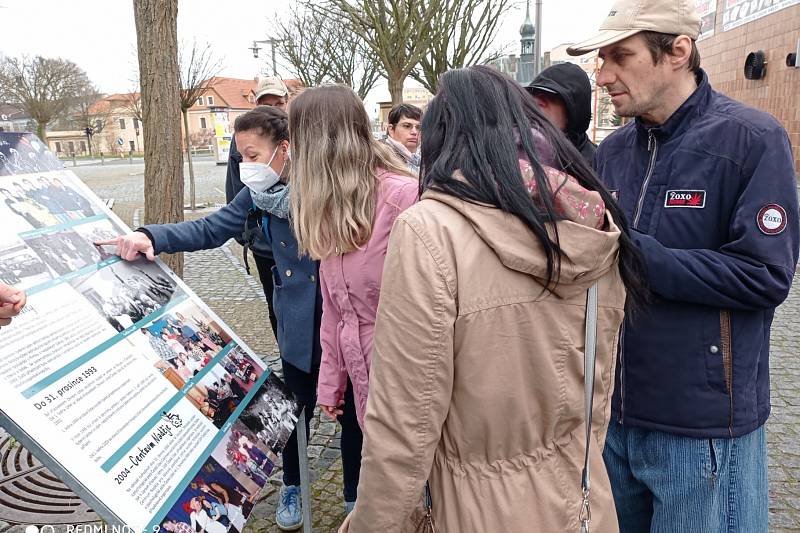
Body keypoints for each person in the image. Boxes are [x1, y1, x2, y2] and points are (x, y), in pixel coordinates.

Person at [339, 65, 647, 532]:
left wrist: (369, 525)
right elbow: (596, 393)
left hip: (475, 509)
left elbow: (405, 424)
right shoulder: (593, 222)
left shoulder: (430, 232)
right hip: (582, 500)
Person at [565, 0, 800, 531]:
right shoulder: (613, 153)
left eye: (620, 57)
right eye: (602, 60)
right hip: (613, 420)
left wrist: (632, 253)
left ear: (678, 51)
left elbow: (764, 276)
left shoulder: (752, 140)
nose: (603, 76)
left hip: (703, 430)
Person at [96, 106, 321, 532]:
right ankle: (292, 484)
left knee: (351, 414)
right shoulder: (258, 194)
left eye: (253, 156)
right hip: (295, 327)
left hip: (337, 322)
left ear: (284, 148)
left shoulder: (324, 186)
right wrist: (152, 236)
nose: (246, 167)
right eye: (241, 159)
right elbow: (211, 228)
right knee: (296, 409)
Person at [286, 85, 418, 513]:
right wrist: (330, 380)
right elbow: (337, 313)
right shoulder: (325, 207)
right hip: (365, 391)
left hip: (410, 389)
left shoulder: (403, 198)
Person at [224, 76, 290, 340]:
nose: (273, 108)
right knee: (275, 306)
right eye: (266, 103)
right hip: (264, 243)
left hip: (300, 244)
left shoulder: (299, 134)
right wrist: (247, 233)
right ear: (255, 103)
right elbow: (235, 188)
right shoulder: (244, 141)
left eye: (279, 103)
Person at [527, 62, 597, 165]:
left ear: (574, 111)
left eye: (550, 95)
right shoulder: (521, 152)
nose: (538, 101)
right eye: (534, 93)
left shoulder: (600, 164)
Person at [380, 103, 422, 173]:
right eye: (407, 126)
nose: (414, 132)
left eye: (419, 127)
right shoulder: (381, 159)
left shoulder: (428, 158)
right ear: (391, 129)